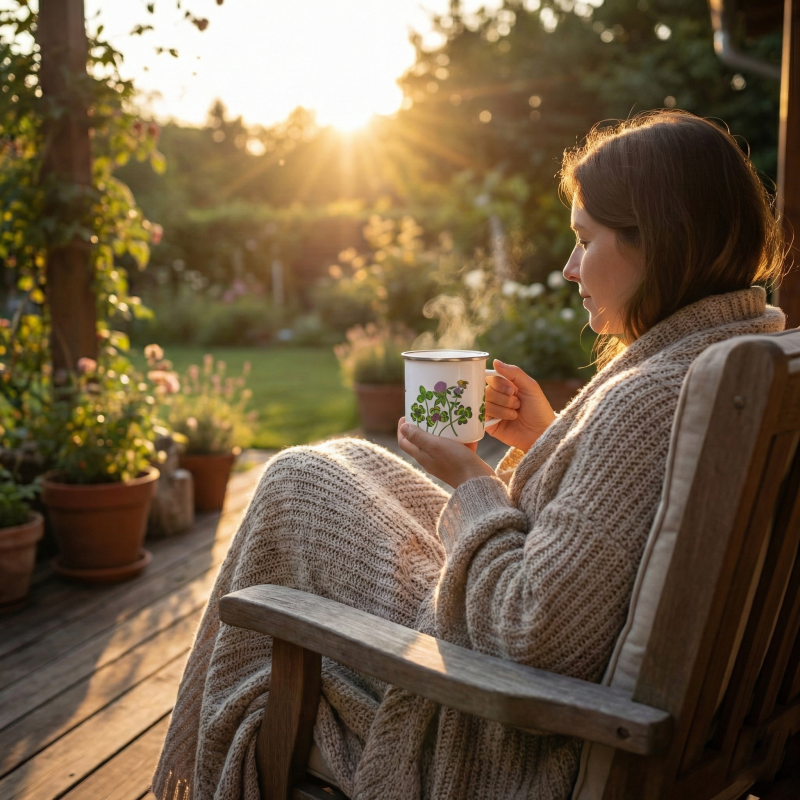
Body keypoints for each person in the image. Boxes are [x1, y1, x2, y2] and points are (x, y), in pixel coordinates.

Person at [153, 110, 786, 800]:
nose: (570, 268)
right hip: (633, 711)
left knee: (295, 482)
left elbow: (533, 630)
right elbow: (617, 533)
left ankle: (190, 775)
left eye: (584, 239)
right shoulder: (738, 351)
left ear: (661, 241)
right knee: (343, 461)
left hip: (515, 732)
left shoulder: (651, 397)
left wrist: (473, 481)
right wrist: (547, 440)